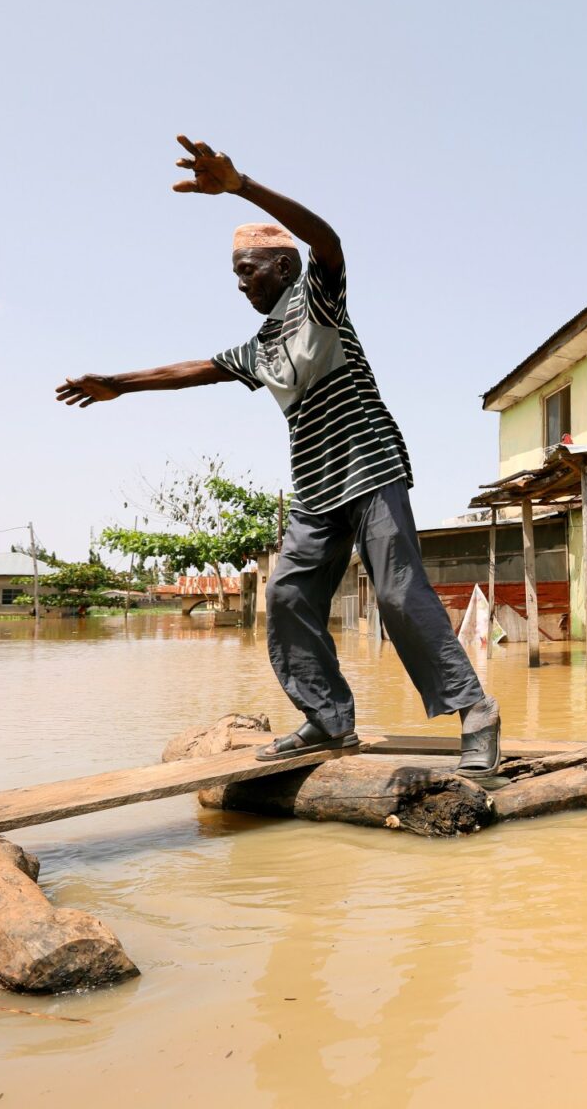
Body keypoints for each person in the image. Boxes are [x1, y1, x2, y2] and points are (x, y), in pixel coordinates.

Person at [55, 137, 501, 776]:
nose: (240, 285)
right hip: (315, 488)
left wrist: (240, 186)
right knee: (289, 596)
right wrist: (119, 384)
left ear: (284, 268)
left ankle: (476, 712)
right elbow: (198, 368)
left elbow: (328, 240)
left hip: (369, 466)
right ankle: (328, 720)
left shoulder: (318, 298)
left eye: (248, 271)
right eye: (235, 274)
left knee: (399, 595)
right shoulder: (260, 345)